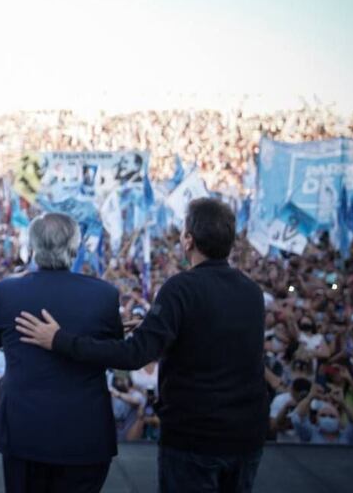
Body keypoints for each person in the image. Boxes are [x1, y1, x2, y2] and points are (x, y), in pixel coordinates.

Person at [16, 198, 266, 493]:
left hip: (196, 438)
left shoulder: (181, 288)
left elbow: (135, 355)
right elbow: (211, 339)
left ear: (188, 240)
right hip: (246, 436)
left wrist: (60, 340)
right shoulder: (252, 291)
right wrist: (153, 328)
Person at [0, 212, 121, 493]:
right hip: (84, 434)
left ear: (33, 247)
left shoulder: (8, 291)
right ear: (74, 247)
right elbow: (114, 348)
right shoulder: (103, 295)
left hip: (25, 430)